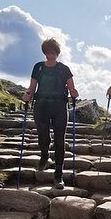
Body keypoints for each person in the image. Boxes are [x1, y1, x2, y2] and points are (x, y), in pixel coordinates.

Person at [22, 38, 78, 189]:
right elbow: (32, 87)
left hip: (59, 106)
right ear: (44, 52)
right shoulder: (38, 67)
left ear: (57, 52)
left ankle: (58, 174)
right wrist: (27, 94)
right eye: (47, 51)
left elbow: (71, 86)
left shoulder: (64, 69)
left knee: (60, 139)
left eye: (53, 51)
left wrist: (73, 92)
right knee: (43, 135)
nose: (50, 54)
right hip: (41, 105)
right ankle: (45, 155)